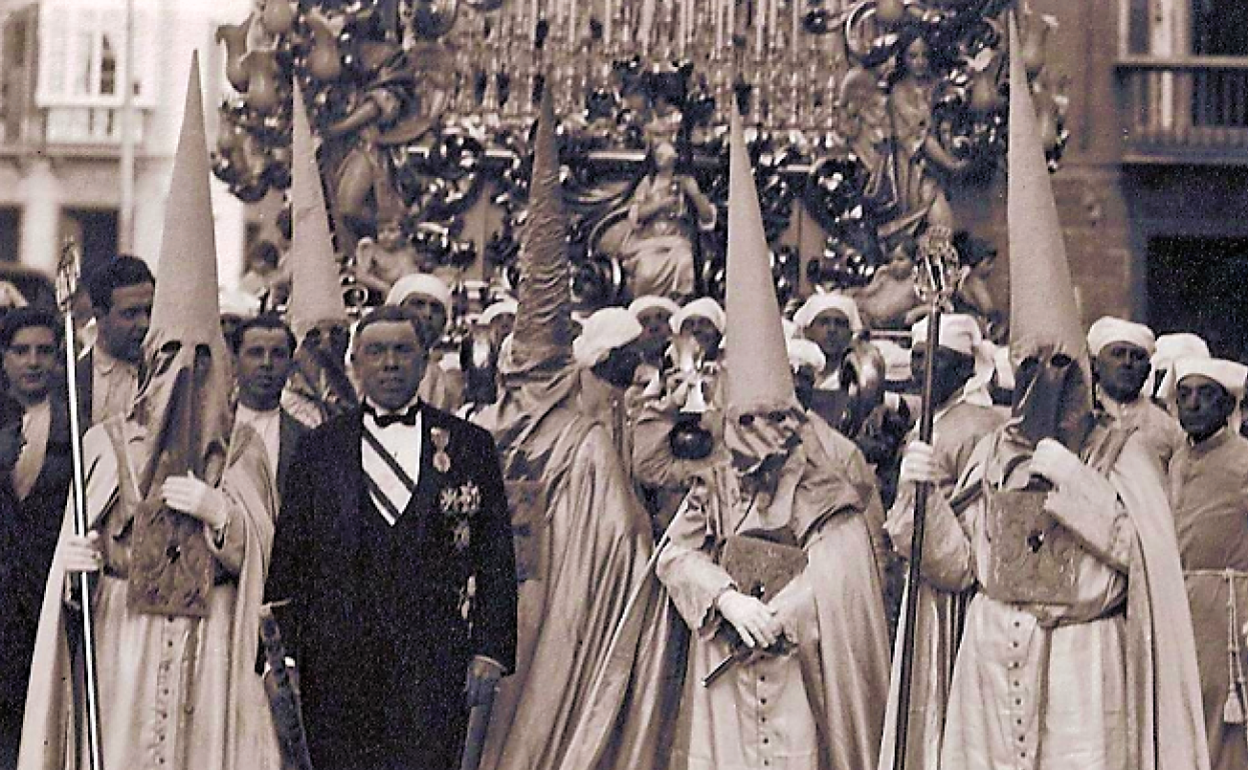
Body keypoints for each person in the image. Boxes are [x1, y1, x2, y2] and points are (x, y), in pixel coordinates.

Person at [888, 32, 1208, 769]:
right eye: (1030, 366)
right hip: (988, 659)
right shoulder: (996, 449)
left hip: (1083, 666)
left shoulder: (1120, 451)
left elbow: (1138, 555)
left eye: (1060, 366)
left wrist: (1066, 473)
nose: (1044, 380)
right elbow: (955, 568)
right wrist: (925, 494)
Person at [19, 59, 279, 770]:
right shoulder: (106, 442)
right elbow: (76, 570)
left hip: (213, 645)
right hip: (123, 641)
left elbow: (262, 548)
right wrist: (73, 569)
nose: (182, 380)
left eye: (200, 362)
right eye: (170, 361)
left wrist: (222, 514)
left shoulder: (245, 449)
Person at [654, 113, 890, 770]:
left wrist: (785, 610)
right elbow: (674, 555)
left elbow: (843, 569)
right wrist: (724, 597)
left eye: (776, 419)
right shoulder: (716, 480)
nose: (767, 434)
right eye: (749, 419)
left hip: (798, 665)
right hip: (726, 659)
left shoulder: (823, 473)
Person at [471, 90, 655, 770]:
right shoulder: (478, 433)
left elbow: (621, 547)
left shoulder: (586, 441)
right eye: (516, 373)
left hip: (555, 623)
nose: (524, 388)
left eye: (536, 375)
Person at [264, 305, 517, 770]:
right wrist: (282, 656)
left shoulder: (469, 445)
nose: (390, 363)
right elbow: (291, 555)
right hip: (335, 660)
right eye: (376, 352)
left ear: (424, 360)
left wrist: (490, 650)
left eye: (403, 350)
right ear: (355, 364)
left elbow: (496, 555)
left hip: (434, 661)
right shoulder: (319, 447)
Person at [878, 313, 1005, 770]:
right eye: (916, 358)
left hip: (955, 578)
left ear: (965, 368)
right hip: (921, 571)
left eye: (937, 359)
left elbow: (976, 510)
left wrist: (924, 504)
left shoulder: (977, 424)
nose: (922, 369)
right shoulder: (927, 420)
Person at [0, 308, 73, 769]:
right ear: (3, 358)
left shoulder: (76, 425)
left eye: (44, 351)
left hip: (42, 600)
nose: (33, 362)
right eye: (21, 351)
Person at [1168, 357, 1248, 770]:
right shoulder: (1174, 461)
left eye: (1206, 395)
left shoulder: (1243, 461)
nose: (1194, 404)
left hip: (1229, 615)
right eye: (1185, 395)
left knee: (1222, 719)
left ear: (1227, 405)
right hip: (1175, 608)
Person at [619, 140, 717, 302]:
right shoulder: (648, 183)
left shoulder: (685, 183)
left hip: (677, 241)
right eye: (659, 156)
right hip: (649, 242)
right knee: (646, 271)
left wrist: (694, 193)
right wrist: (660, 204)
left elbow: (707, 217)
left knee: (686, 262)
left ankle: (680, 301)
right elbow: (637, 214)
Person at [1087, 316, 1185, 472]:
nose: (1127, 362)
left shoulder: (1168, 429)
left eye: (1137, 357)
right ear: (1095, 365)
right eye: (1118, 354)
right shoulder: (1081, 416)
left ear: (1147, 371)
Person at [230, 313, 306, 501]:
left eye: (278, 354)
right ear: (234, 361)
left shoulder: (306, 440)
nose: (266, 364)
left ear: (291, 365)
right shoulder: (211, 432)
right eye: (255, 353)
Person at [78, 254, 154, 426]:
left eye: (149, 311)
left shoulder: (163, 376)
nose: (144, 324)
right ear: (100, 317)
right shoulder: (71, 383)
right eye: (130, 313)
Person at [388, 272, 464, 412]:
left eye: (436, 308)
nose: (427, 313)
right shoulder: (364, 364)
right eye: (418, 304)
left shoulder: (448, 384)